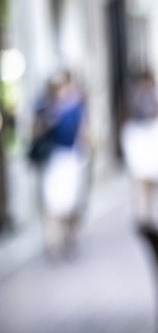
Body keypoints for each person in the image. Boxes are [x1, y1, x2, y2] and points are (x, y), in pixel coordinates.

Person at [30, 70, 89, 258]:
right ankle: (53, 242)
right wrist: (48, 122)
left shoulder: (76, 104)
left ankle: (68, 237)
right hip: (52, 159)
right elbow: (33, 130)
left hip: (71, 157)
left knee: (71, 202)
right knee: (52, 203)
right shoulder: (44, 105)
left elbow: (83, 130)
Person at [120, 69, 158, 227]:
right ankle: (145, 213)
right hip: (143, 147)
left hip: (153, 147)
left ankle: (150, 212)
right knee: (143, 181)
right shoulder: (138, 96)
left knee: (153, 182)